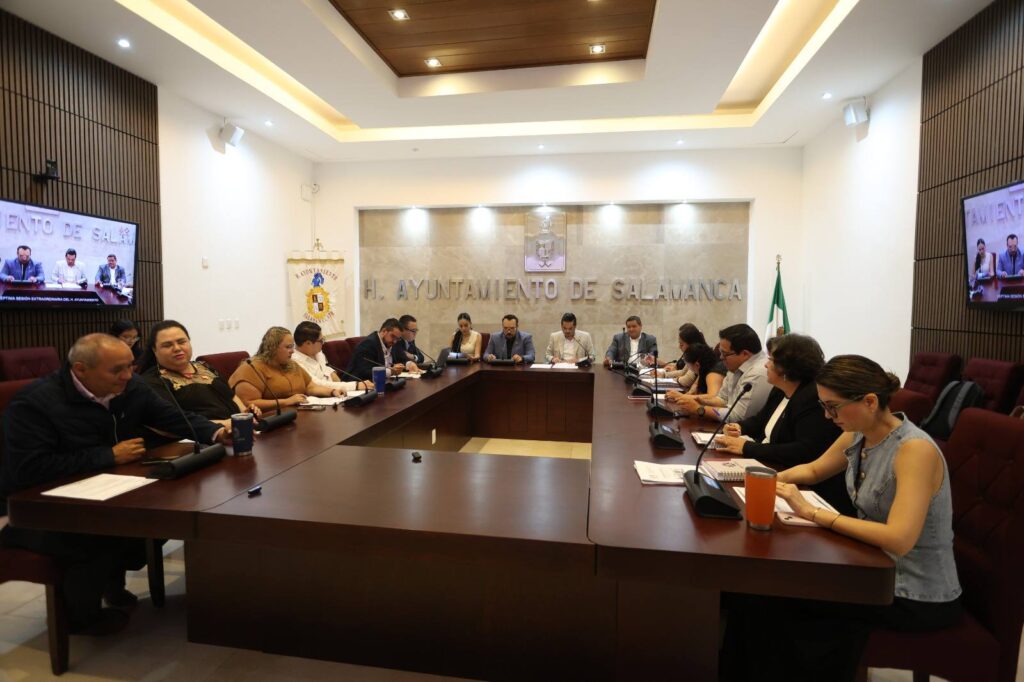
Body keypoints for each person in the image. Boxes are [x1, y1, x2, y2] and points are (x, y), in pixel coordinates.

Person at [722, 355, 962, 681]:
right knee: (754, 590)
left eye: (833, 407)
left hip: (912, 591)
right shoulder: (858, 432)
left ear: (870, 401)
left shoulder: (914, 450)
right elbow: (813, 470)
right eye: (823, 406)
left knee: (772, 599)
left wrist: (813, 513)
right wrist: (760, 480)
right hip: (870, 566)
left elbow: (899, 538)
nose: (827, 416)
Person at [0, 334, 229, 635]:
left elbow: (171, 416)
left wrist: (215, 433)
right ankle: (80, 619)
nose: (127, 376)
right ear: (81, 370)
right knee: (97, 536)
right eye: (117, 370)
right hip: (43, 510)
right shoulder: (35, 404)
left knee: (164, 515)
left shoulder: (130, 386)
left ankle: (110, 584)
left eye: (130, 366)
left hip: (107, 489)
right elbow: (28, 469)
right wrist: (107, 455)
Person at [713, 334, 851, 514]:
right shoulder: (780, 390)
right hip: (773, 469)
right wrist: (739, 427)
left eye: (770, 360)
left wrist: (747, 447)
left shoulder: (812, 398)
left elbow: (804, 451)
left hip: (806, 487)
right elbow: (760, 420)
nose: (765, 365)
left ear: (787, 368)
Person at [139, 320, 260, 426]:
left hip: (238, 429)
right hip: (200, 438)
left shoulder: (204, 366)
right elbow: (173, 422)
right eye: (167, 345)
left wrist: (246, 414)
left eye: (181, 342)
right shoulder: (153, 380)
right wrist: (225, 424)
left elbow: (231, 396)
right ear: (154, 350)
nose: (177, 348)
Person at [667, 323, 770, 422]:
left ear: (745, 354)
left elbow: (736, 417)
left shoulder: (757, 374)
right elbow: (722, 400)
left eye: (725, 354)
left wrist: (700, 409)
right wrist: (696, 399)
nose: (721, 357)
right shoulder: (735, 366)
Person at [230, 326, 345, 410]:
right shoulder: (251, 368)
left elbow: (310, 387)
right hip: (269, 422)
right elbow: (248, 404)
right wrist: (286, 402)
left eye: (292, 346)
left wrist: (332, 391)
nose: (292, 351)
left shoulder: (291, 364)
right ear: (273, 348)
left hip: (296, 416)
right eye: (288, 347)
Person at [291, 321, 371, 393]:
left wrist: (344, 390)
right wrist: (355, 385)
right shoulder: (295, 362)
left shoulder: (317, 352)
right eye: (321, 341)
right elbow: (317, 384)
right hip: (320, 398)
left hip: (335, 394)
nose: (323, 343)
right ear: (308, 343)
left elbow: (329, 371)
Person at [658, 323, 728, 390]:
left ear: (691, 343)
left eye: (682, 344)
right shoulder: (695, 352)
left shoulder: (699, 354)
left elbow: (687, 380)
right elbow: (683, 372)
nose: (679, 347)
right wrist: (665, 374)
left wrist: (675, 379)